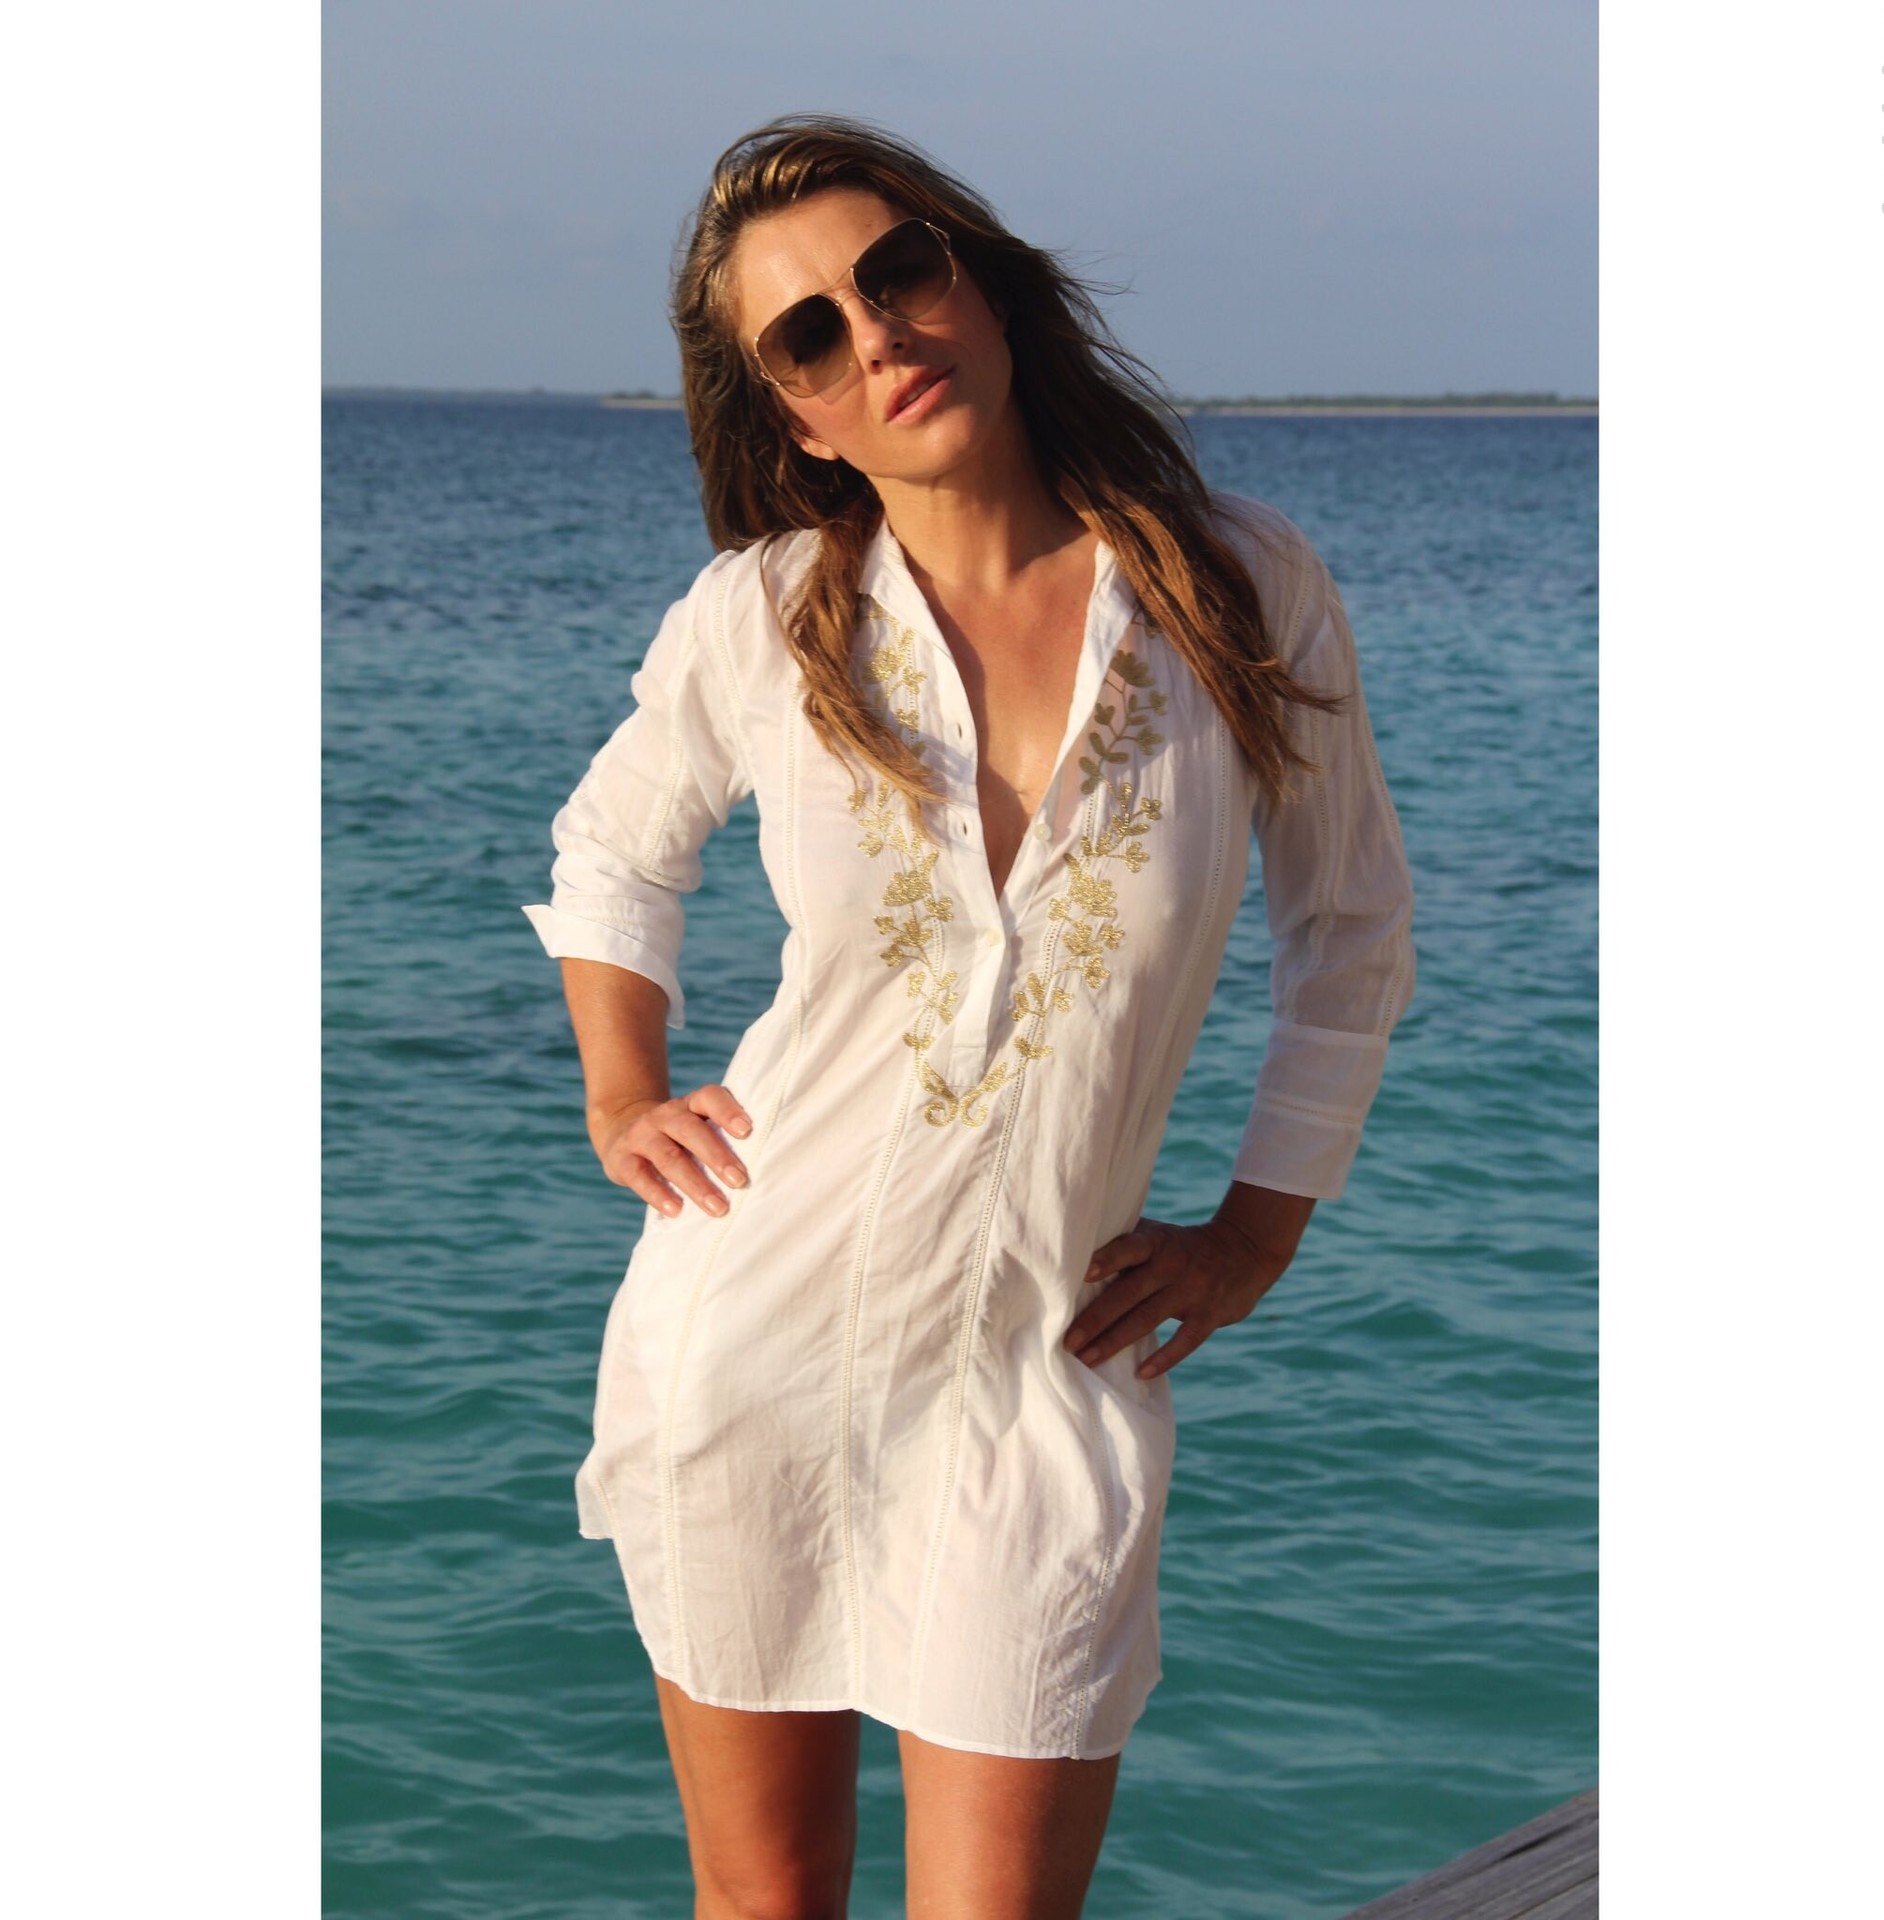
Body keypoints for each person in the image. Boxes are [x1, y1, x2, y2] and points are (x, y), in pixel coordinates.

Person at [523, 114, 1416, 1920]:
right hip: (749, 1344)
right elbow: (613, 853)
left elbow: (1353, 930)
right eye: (811, 337)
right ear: (797, 419)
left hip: (1042, 1374)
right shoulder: (771, 618)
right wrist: (624, 1093)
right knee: (764, 1905)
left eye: (899, 273)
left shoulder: (1237, 589)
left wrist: (1258, 1230)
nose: (878, 336)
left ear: (981, 282)